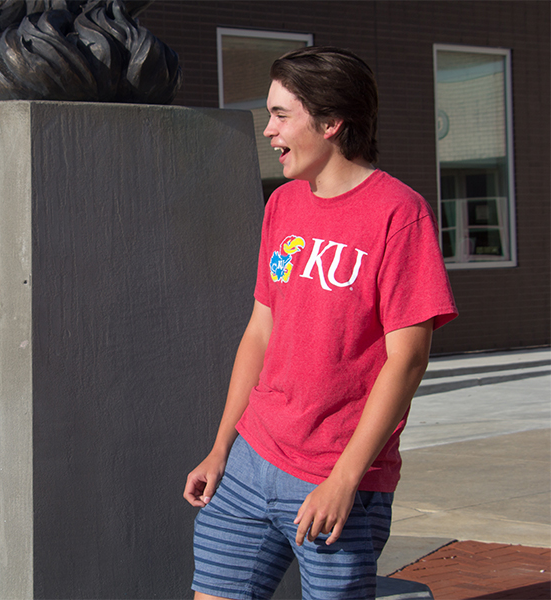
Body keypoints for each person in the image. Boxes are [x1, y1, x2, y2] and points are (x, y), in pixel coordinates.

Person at [183, 47, 458, 600]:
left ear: (331, 123)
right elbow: (261, 331)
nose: (268, 130)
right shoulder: (282, 205)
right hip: (250, 462)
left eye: (282, 115)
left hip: (336, 479)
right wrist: (221, 447)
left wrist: (344, 481)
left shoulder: (400, 214)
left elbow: (408, 359)